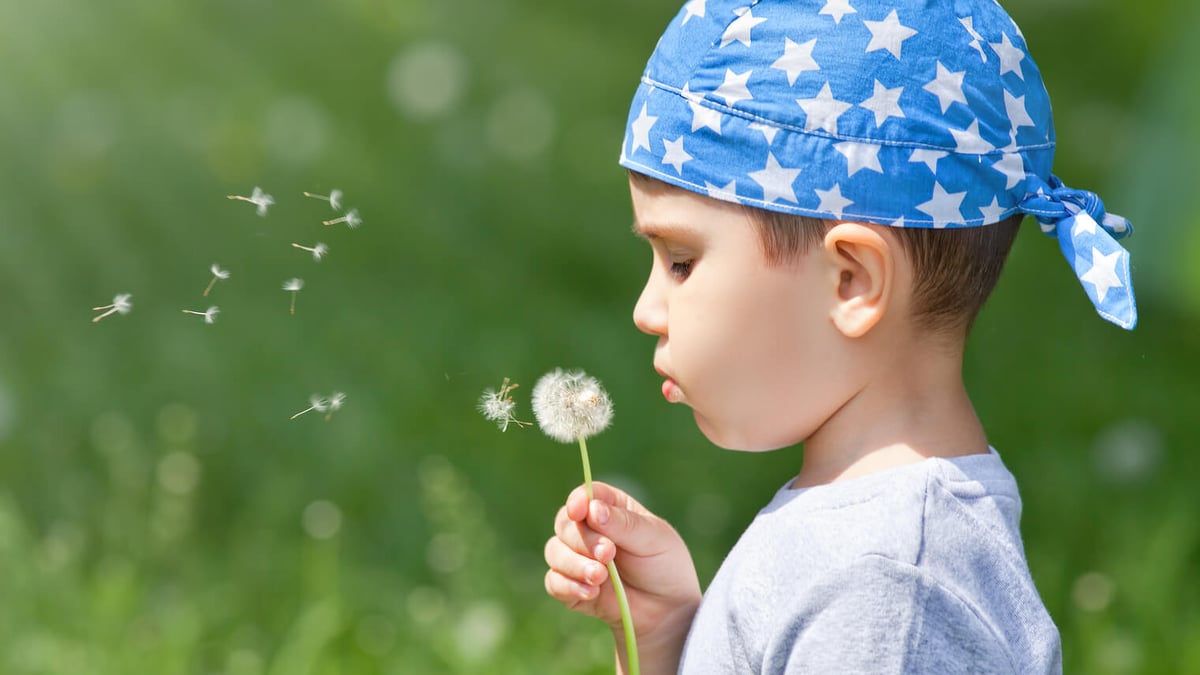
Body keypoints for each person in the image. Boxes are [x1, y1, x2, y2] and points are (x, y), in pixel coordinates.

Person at [543, 0, 1136, 672]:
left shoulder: (885, 590)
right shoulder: (861, 542)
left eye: (681, 261)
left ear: (851, 281)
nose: (647, 309)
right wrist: (668, 635)